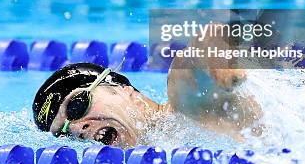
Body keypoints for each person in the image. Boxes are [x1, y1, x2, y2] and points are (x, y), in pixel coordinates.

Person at [32, 27, 264, 147]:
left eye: (76, 106)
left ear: (121, 88)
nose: (77, 130)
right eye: (65, 134)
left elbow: (204, 41)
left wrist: (220, 66)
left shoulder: (185, 108)